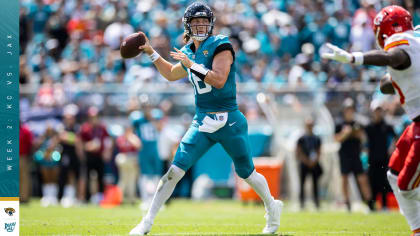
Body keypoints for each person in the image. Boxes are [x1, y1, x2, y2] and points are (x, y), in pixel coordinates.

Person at [129, 2, 283, 235]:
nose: (200, 25)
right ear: (187, 25)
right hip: (202, 121)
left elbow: (219, 80)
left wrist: (192, 65)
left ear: (211, 24)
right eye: (195, 22)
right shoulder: (189, 50)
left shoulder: (220, 45)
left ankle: (272, 207)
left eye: (204, 21)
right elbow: (171, 73)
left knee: (247, 173)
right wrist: (151, 52)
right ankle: (147, 222)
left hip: (229, 119)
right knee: (175, 171)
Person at [322, 5, 420, 235]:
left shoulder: (400, 46)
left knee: (406, 185)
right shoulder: (414, 38)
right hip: (416, 122)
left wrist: (354, 58)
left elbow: (394, 57)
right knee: (393, 175)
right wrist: (389, 81)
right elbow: (391, 81)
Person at [334, 98, 372, 212]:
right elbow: (337, 139)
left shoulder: (358, 123)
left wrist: (354, 132)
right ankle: (347, 203)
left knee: (362, 179)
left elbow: (363, 137)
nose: (349, 111)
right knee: (344, 179)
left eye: (351, 109)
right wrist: (346, 133)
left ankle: (369, 202)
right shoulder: (339, 124)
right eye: (347, 109)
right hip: (344, 155)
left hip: (356, 155)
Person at [130, 104, 164, 211]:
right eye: (144, 107)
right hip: (144, 150)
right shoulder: (138, 119)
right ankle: (145, 200)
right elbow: (129, 133)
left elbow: (160, 128)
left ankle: (156, 201)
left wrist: (153, 120)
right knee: (144, 175)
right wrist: (134, 139)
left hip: (155, 149)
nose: (146, 109)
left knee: (156, 176)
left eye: (148, 107)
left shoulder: (156, 117)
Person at [365, 101, 396, 211]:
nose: (378, 113)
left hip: (384, 159)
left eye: (379, 110)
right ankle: (371, 207)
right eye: (376, 110)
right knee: (372, 182)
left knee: (384, 183)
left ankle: (384, 205)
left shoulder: (386, 126)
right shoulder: (368, 126)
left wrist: (392, 148)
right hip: (372, 159)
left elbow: (395, 137)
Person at [78, 106, 112, 204]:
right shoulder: (85, 128)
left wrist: (107, 152)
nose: (94, 119)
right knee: (87, 176)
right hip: (89, 156)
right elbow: (80, 142)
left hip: (99, 155)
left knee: (100, 176)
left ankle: (100, 196)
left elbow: (108, 141)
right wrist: (87, 147)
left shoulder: (102, 128)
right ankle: (87, 197)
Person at [296, 117, 323, 210]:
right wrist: (306, 161)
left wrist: (314, 161)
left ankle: (316, 202)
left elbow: (319, 151)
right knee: (302, 184)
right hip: (304, 164)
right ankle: (302, 203)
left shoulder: (317, 138)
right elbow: (298, 152)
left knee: (315, 184)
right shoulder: (301, 138)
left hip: (314, 164)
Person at [115, 126, 142, 205]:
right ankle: (120, 199)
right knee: (124, 180)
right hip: (125, 159)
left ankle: (131, 199)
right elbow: (122, 148)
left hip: (132, 159)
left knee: (131, 180)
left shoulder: (133, 137)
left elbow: (138, 146)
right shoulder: (121, 138)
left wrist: (131, 138)